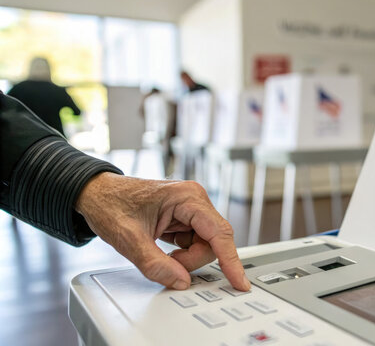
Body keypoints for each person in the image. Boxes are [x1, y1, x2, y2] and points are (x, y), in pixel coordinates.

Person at [0, 91, 250, 292]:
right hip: (50, 137)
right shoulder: (55, 90)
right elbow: (75, 112)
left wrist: (88, 188)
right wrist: (94, 190)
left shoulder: (19, 88)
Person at [8, 57, 82, 137]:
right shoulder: (58, 91)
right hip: (53, 137)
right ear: (49, 70)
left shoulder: (18, 88)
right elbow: (77, 112)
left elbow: (5, 108)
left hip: (25, 137)